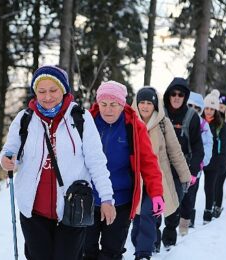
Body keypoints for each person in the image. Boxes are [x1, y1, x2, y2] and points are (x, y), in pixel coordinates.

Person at [0, 65, 116, 260]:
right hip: (33, 209)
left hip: (73, 206)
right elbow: (10, 150)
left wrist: (106, 198)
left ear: (64, 90)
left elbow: (96, 161)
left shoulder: (81, 118)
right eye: (41, 91)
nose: (47, 97)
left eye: (53, 90)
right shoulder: (25, 119)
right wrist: (6, 159)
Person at [83, 81, 165, 260]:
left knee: (111, 252)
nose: (108, 110)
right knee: (85, 250)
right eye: (104, 104)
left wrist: (156, 193)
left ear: (123, 104)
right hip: (88, 199)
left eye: (114, 105)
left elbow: (149, 163)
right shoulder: (86, 122)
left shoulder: (133, 127)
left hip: (120, 201)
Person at [131, 86, 191, 257]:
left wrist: (185, 175)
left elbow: (175, 151)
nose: (145, 106)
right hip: (135, 179)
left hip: (157, 179)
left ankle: (143, 252)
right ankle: (145, 243)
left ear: (155, 105)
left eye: (149, 103)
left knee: (148, 214)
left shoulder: (164, 123)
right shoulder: (130, 121)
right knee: (137, 218)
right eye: (141, 102)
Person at [162, 77, 204, 245]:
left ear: (185, 96)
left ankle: (169, 242)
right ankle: (152, 241)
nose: (177, 97)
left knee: (173, 207)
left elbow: (198, 147)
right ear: (168, 95)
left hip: (180, 169)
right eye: (173, 93)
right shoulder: (159, 112)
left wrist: (193, 171)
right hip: (158, 167)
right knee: (154, 207)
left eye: (181, 94)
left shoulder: (191, 117)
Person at [200, 89, 226, 224]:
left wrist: (222, 162)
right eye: (207, 108)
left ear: (216, 110)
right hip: (199, 160)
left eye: (212, 109)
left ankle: (208, 212)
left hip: (214, 161)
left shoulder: (221, 124)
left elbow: (224, 146)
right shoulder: (199, 121)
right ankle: (188, 216)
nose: (209, 111)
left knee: (209, 187)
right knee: (193, 188)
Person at [186, 91, 214, 227]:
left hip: (196, 164)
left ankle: (189, 217)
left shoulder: (203, 124)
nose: (193, 110)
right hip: (179, 163)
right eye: (190, 106)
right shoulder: (181, 120)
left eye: (197, 108)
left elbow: (209, 144)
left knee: (191, 191)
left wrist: (203, 162)